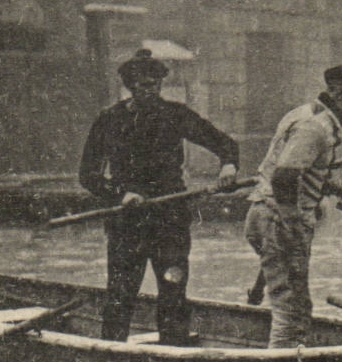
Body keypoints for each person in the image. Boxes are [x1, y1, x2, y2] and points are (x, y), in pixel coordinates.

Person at [78, 48, 240, 345]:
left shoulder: (175, 115)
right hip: (128, 222)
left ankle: (174, 352)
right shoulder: (109, 120)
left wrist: (228, 165)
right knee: (121, 294)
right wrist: (120, 194)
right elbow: (88, 175)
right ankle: (111, 355)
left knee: (173, 292)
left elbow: (224, 143)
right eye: (142, 84)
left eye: (155, 83)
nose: (149, 89)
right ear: (130, 86)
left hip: (170, 221)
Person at [245, 62, 342, 348]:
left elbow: (301, 172)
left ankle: (283, 358)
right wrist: (292, 224)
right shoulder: (316, 127)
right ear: (338, 93)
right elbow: (284, 177)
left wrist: (341, 191)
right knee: (291, 310)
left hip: (263, 214)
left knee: (292, 300)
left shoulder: (304, 114)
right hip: (279, 220)